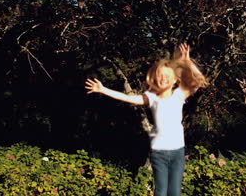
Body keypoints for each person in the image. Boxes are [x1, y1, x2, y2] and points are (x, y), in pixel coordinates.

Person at [85, 43, 207, 196]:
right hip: (159, 152)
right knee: (161, 191)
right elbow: (127, 98)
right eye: (160, 76)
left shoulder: (179, 95)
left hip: (177, 152)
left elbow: (198, 81)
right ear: (155, 78)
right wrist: (103, 90)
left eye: (167, 76)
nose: (163, 79)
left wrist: (186, 61)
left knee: (175, 192)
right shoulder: (152, 98)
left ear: (175, 80)